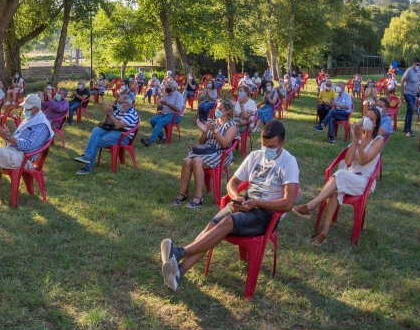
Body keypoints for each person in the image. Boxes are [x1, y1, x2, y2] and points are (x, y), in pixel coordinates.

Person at [159, 120, 299, 291]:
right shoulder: (255, 156)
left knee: (227, 222)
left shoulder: (288, 162)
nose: (266, 151)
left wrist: (256, 203)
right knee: (212, 226)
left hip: (266, 214)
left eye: (271, 147)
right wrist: (237, 197)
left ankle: (179, 252)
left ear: (282, 144)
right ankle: (179, 271)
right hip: (246, 205)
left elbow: (288, 202)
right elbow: (232, 183)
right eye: (264, 145)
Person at [292, 109, 384, 244]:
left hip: (364, 181)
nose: (367, 120)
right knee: (334, 190)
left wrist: (358, 141)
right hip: (350, 175)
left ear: (375, 124)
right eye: (366, 116)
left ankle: (311, 205)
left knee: (340, 175)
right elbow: (348, 161)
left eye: (371, 118)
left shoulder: (378, 140)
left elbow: (364, 161)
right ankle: (324, 232)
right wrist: (355, 138)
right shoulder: (358, 136)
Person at [173, 99, 239, 208]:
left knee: (197, 161)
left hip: (221, 153)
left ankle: (198, 197)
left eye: (220, 109)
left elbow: (225, 143)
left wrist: (214, 130)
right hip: (207, 150)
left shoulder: (231, 125)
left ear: (228, 111)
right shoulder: (213, 121)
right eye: (217, 108)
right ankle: (182, 193)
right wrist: (205, 131)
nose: (217, 110)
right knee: (187, 160)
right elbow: (201, 142)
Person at [72, 95, 139, 175]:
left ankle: (87, 166)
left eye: (120, 103)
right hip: (112, 131)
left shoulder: (132, 114)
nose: (118, 104)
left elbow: (119, 125)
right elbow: (106, 122)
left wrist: (110, 114)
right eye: (118, 102)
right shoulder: (118, 110)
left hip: (123, 136)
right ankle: (87, 158)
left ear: (128, 104)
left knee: (96, 141)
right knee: (96, 130)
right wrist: (107, 113)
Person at [142, 80, 184, 146]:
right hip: (164, 114)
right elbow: (159, 109)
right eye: (167, 85)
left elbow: (177, 109)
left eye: (169, 86)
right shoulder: (166, 95)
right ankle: (163, 137)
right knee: (152, 120)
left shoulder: (178, 96)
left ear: (174, 88)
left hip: (175, 115)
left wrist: (167, 103)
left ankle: (150, 140)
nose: (167, 87)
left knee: (161, 121)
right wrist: (159, 104)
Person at [401, 57, 420, 137]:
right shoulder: (409, 70)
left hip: (414, 94)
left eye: (419, 65)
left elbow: (417, 81)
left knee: (409, 111)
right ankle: (409, 131)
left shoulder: (418, 70)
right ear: (414, 63)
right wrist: (402, 94)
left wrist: (418, 88)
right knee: (411, 110)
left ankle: (405, 128)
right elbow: (402, 80)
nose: (418, 66)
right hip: (407, 93)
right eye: (417, 64)